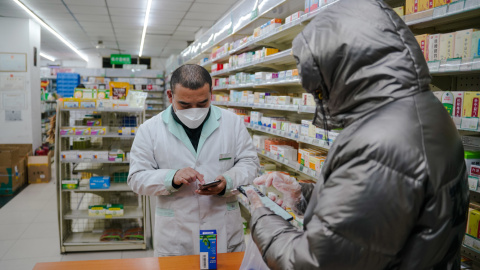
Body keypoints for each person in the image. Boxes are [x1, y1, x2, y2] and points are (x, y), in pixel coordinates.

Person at [245, 0, 469, 269]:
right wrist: (303, 195)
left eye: (321, 86)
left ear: (343, 71)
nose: (321, 98)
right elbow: (374, 214)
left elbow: (315, 263)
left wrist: (261, 215)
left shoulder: (384, 142)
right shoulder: (418, 110)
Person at [128, 64, 259, 257]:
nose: (194, 110)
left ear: (211, 94)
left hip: (222, 227)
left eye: (202, 103)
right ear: (170, 96)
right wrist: (171, 178)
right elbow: (136, 178)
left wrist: (227, 181)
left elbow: (250, 164)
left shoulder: (232, 123)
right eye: (185, 105)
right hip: (176, 235)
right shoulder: (150, 129)